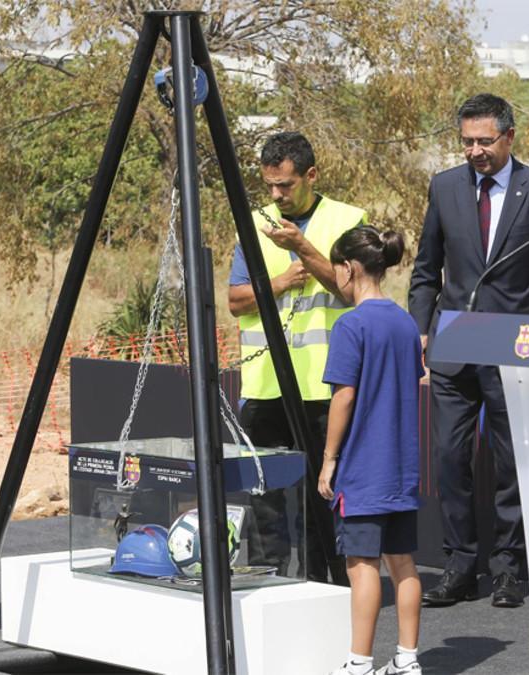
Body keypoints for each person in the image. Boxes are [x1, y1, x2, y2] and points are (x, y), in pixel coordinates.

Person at [408, 93, 529, 608]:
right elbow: (426, 269)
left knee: (510, 463)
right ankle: (459, 565)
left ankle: (509, 568)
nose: (475, 151)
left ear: (509, 138)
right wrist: (421, 329)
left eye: (484, 141)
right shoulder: (445, 186)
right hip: (453, 345)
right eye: (467, 141)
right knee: (450, 458)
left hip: (515, 347)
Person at [228, 131, 366, 584]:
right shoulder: (255, 222)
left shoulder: (346, 221)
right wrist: (281, 281)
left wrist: (304, 248)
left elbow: (350, 292)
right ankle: (267, 579)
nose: (276, 195)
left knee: (322, 496)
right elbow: (234, 300)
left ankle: (328, 585)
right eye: (269, 185)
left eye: (285, 185)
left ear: (310, 176)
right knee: (263, 495)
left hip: (324, 388)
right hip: (265, 387)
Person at [319, 226, 425, 675]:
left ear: (349, 268)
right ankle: (407, 660)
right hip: (401, 467)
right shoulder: (406, 322)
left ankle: (358, 663)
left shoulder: (351, 324)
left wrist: (329, 459)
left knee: (361, 566)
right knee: (404, 565)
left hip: (363, 468)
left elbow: (344, 396)